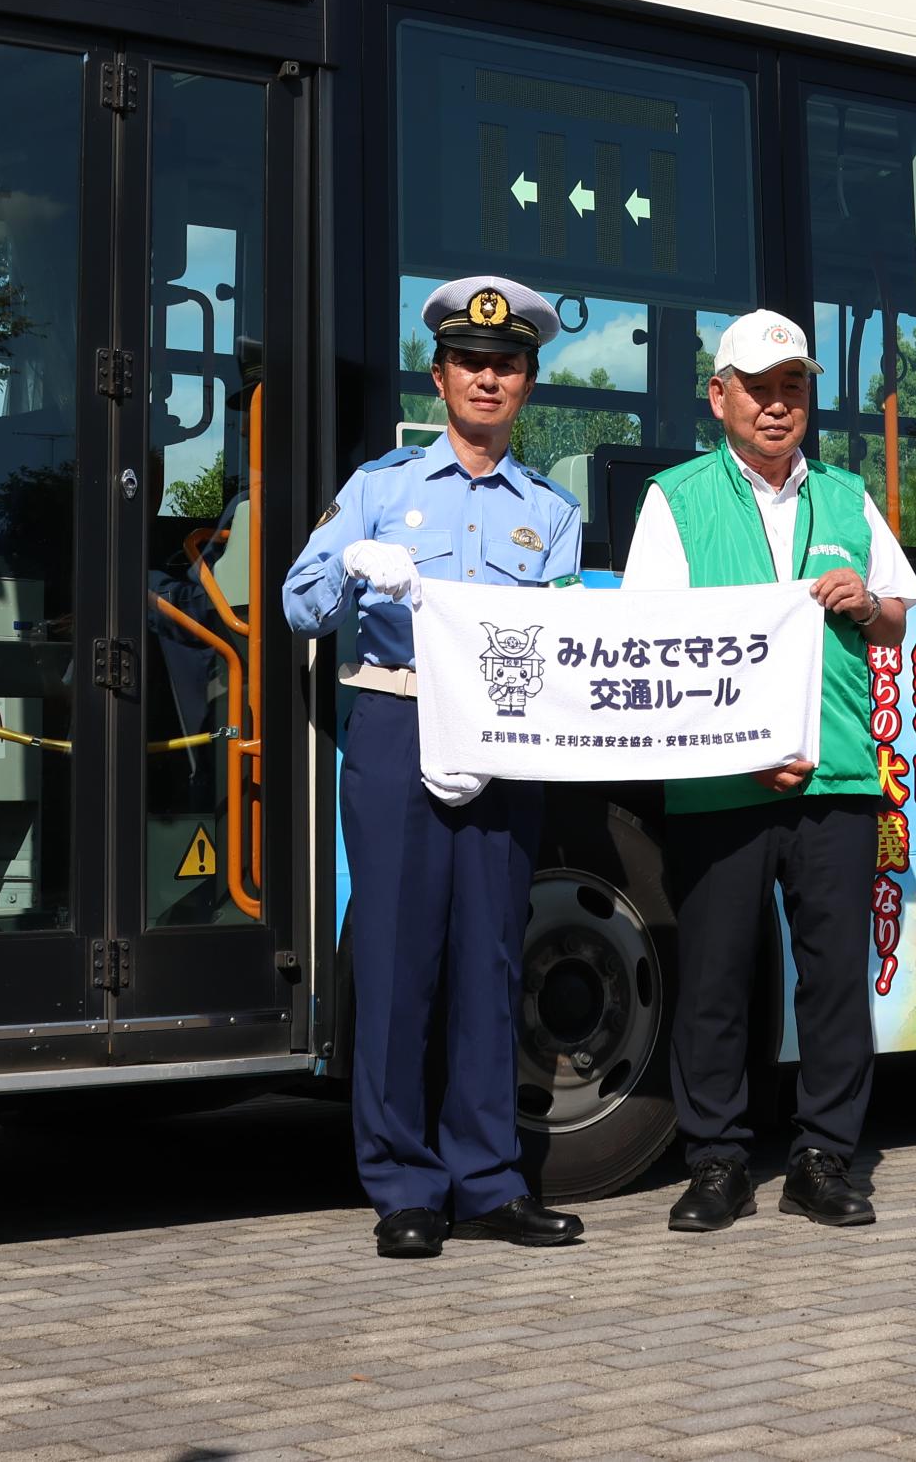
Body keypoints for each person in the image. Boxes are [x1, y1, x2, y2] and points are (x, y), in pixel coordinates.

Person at [283, 277, 584, 1260]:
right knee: (398, 957)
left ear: (527, 383)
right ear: (438, 373)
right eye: (470, 362)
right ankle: (403, 1184)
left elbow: (560, 637)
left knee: (491, 961)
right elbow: (297, 605)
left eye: (505, 366)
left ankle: (488, 1181)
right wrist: (351, 570)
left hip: (502, 745)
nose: (487, 378)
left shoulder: (552, 512)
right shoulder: (379, 489)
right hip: (395, 725)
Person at [623, 308, 916, 1234]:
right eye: (757, 387)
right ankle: (714, 1161)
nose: (776, 403)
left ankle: (823, 1157)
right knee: (715, 978)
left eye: (792, 384)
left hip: (836, 776)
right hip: (722, 784)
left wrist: (867, 601)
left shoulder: (846, 495)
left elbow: (896, 619)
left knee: (833, 979)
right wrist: (741, 750)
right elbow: (650, 641)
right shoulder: (674, 499)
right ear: (720, 397)